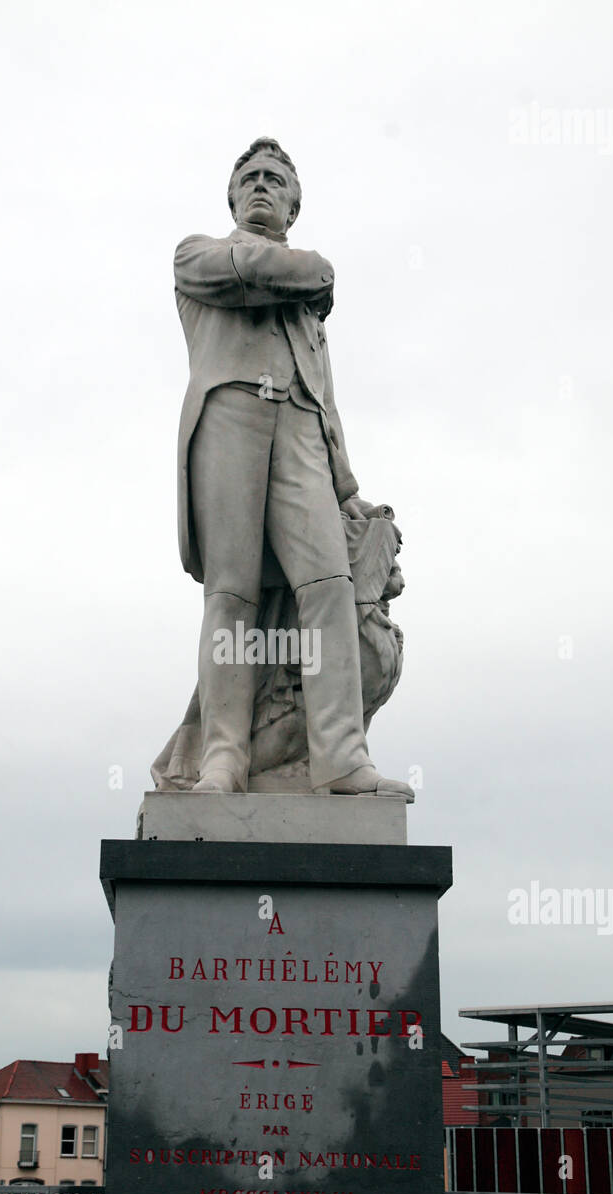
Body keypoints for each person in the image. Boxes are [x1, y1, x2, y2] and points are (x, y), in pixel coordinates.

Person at [173, 137, 413, 800]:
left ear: (294, 201)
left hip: (301, 435)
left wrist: (350, 489)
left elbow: (324, 395)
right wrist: (313, 271)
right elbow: (275, 274)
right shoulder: (197, 255)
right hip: (229, 420)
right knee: (232, 597)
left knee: (329, 584)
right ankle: (224, 758)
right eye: (248, 177)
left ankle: (339, 756)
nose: (260, 185)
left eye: (274, 179)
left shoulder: (309, 308)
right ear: (230, 194)